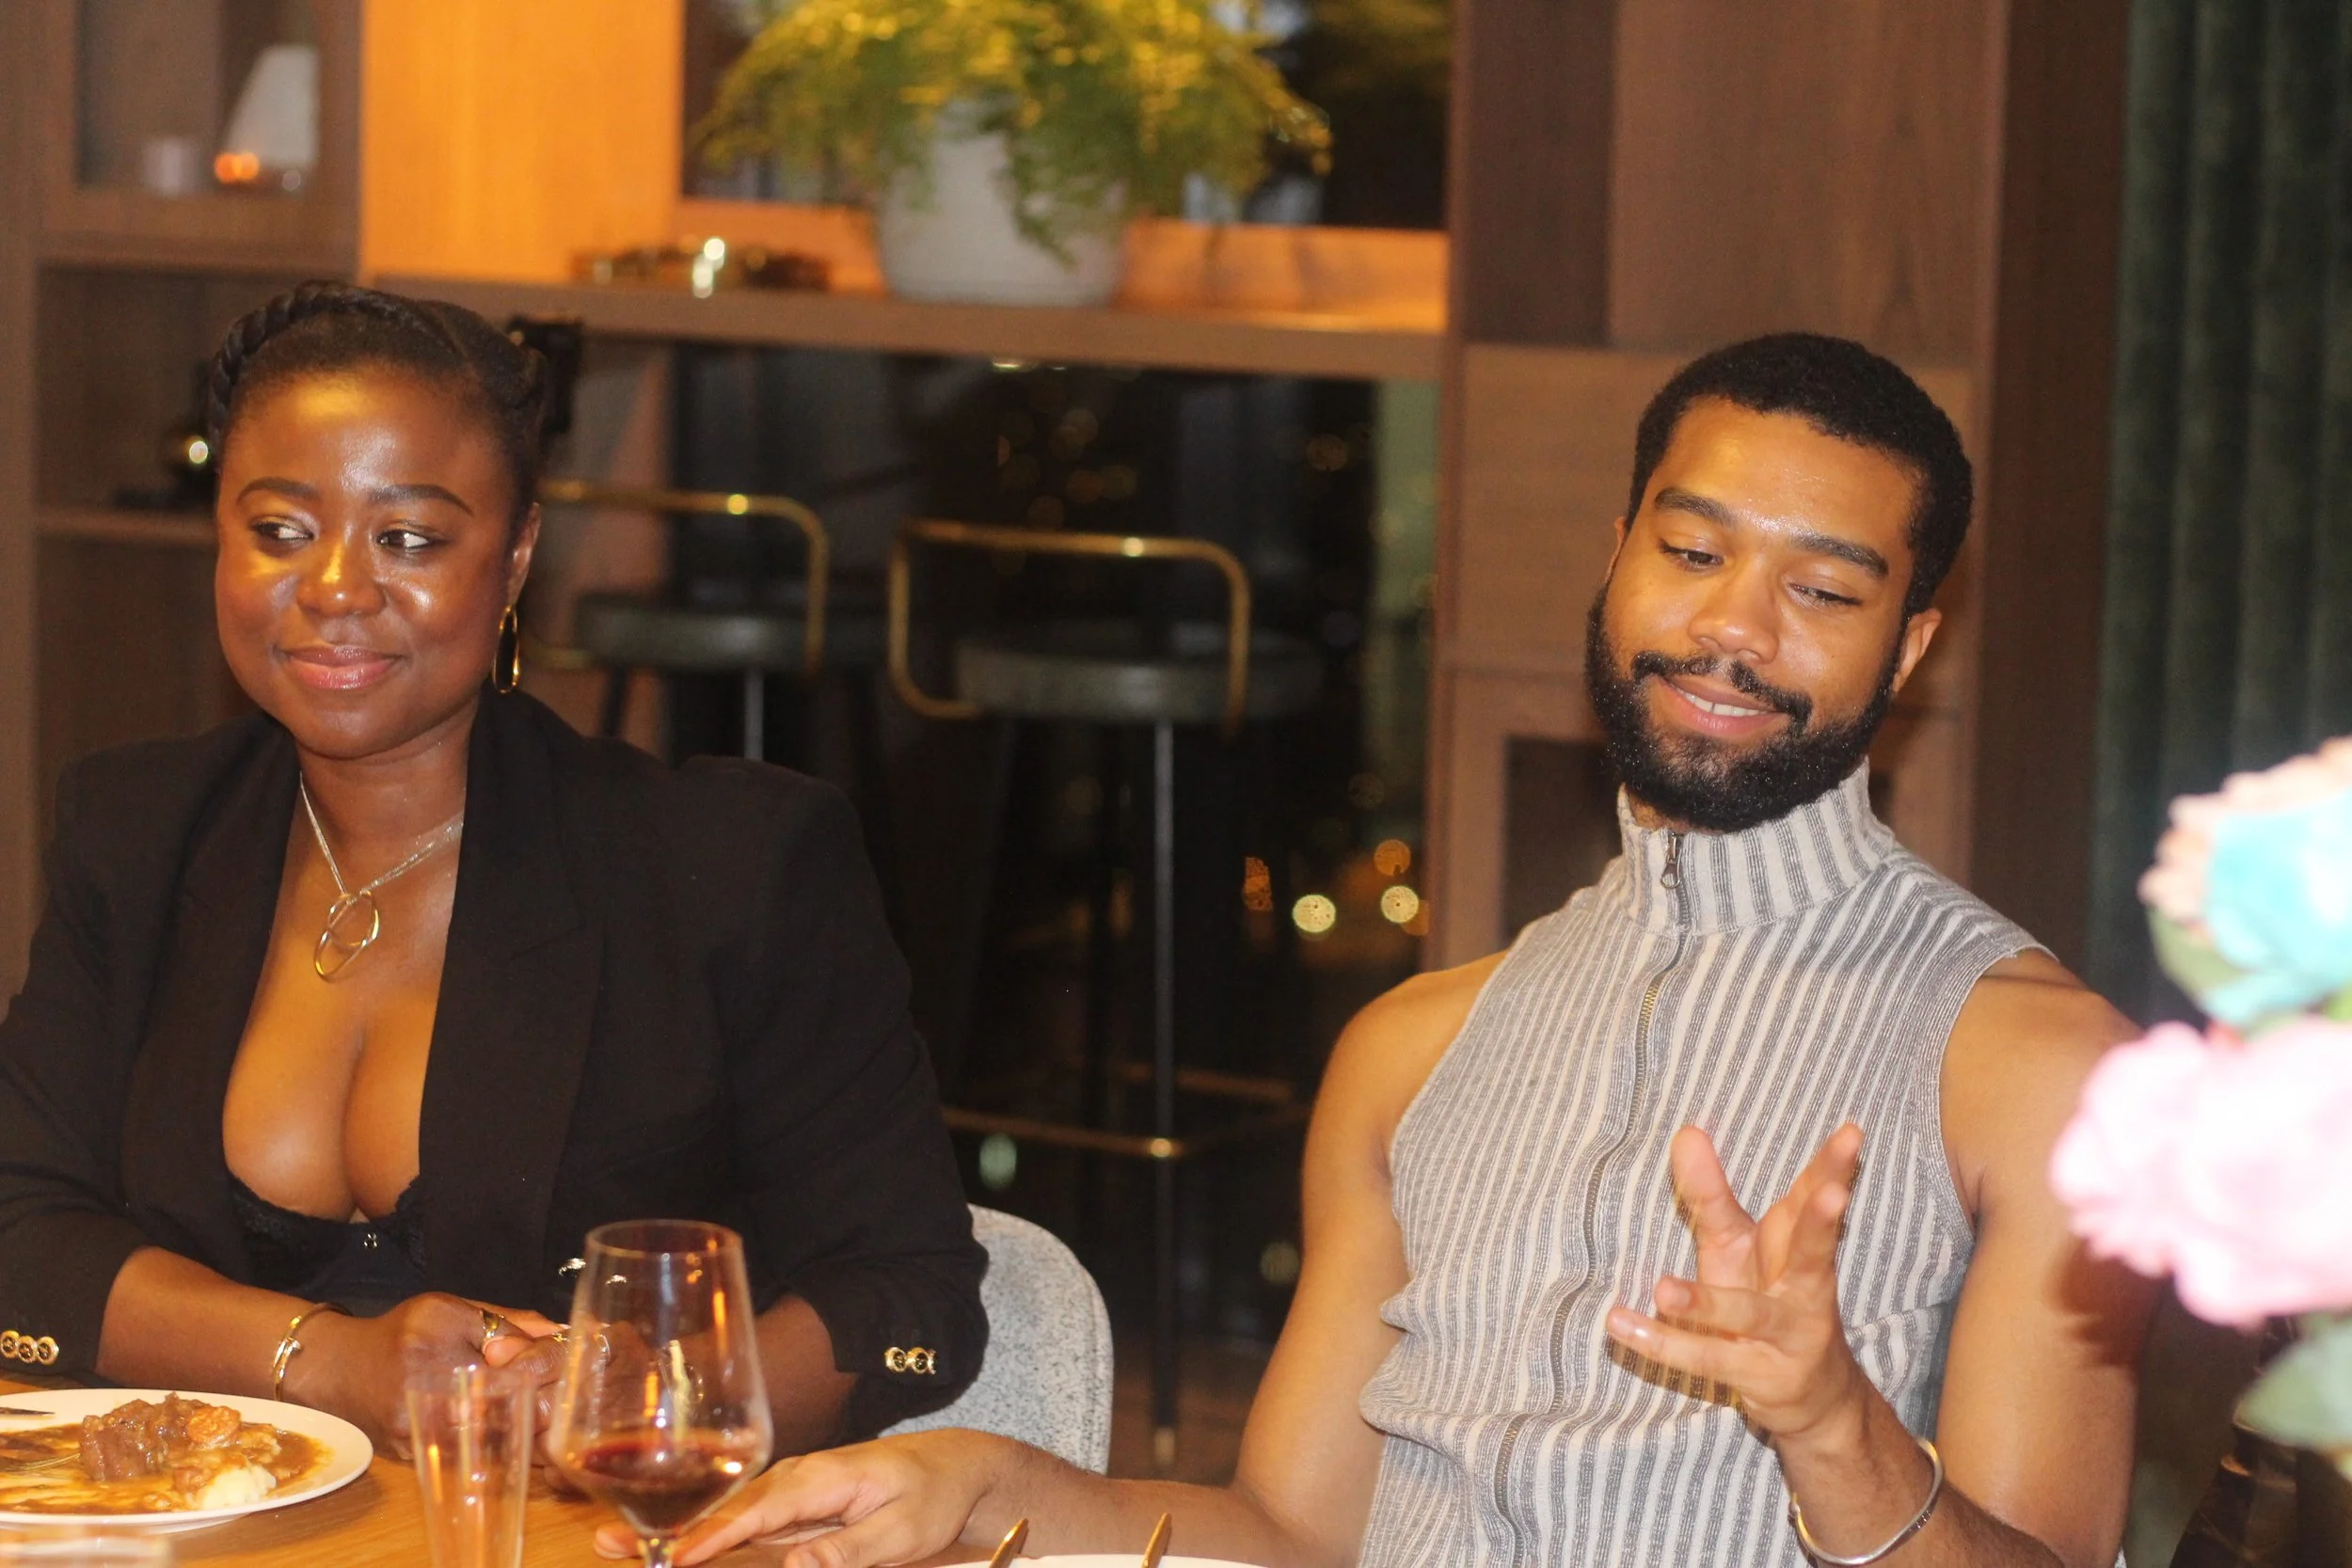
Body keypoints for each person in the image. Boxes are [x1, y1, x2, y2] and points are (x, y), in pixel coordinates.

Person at [644, 334, 2158, 1568]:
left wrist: (1832, 1425)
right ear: (1617, 552)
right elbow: (1295, 1534)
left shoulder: (2036, 1069)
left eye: (1822, 589)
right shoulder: (1415, 1045)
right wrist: (982, 1479)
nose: (1732, 629)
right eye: (1691, 549)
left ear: (1910, 647)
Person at [0, 282, 985, 1458]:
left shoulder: (725, 867)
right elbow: (22, 1230)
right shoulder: (138, 829)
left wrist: (631, 1403)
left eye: (410, 537)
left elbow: (903, 1289)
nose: (335, 590)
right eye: (279, 530)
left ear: (516, 557)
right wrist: (332, 1358)